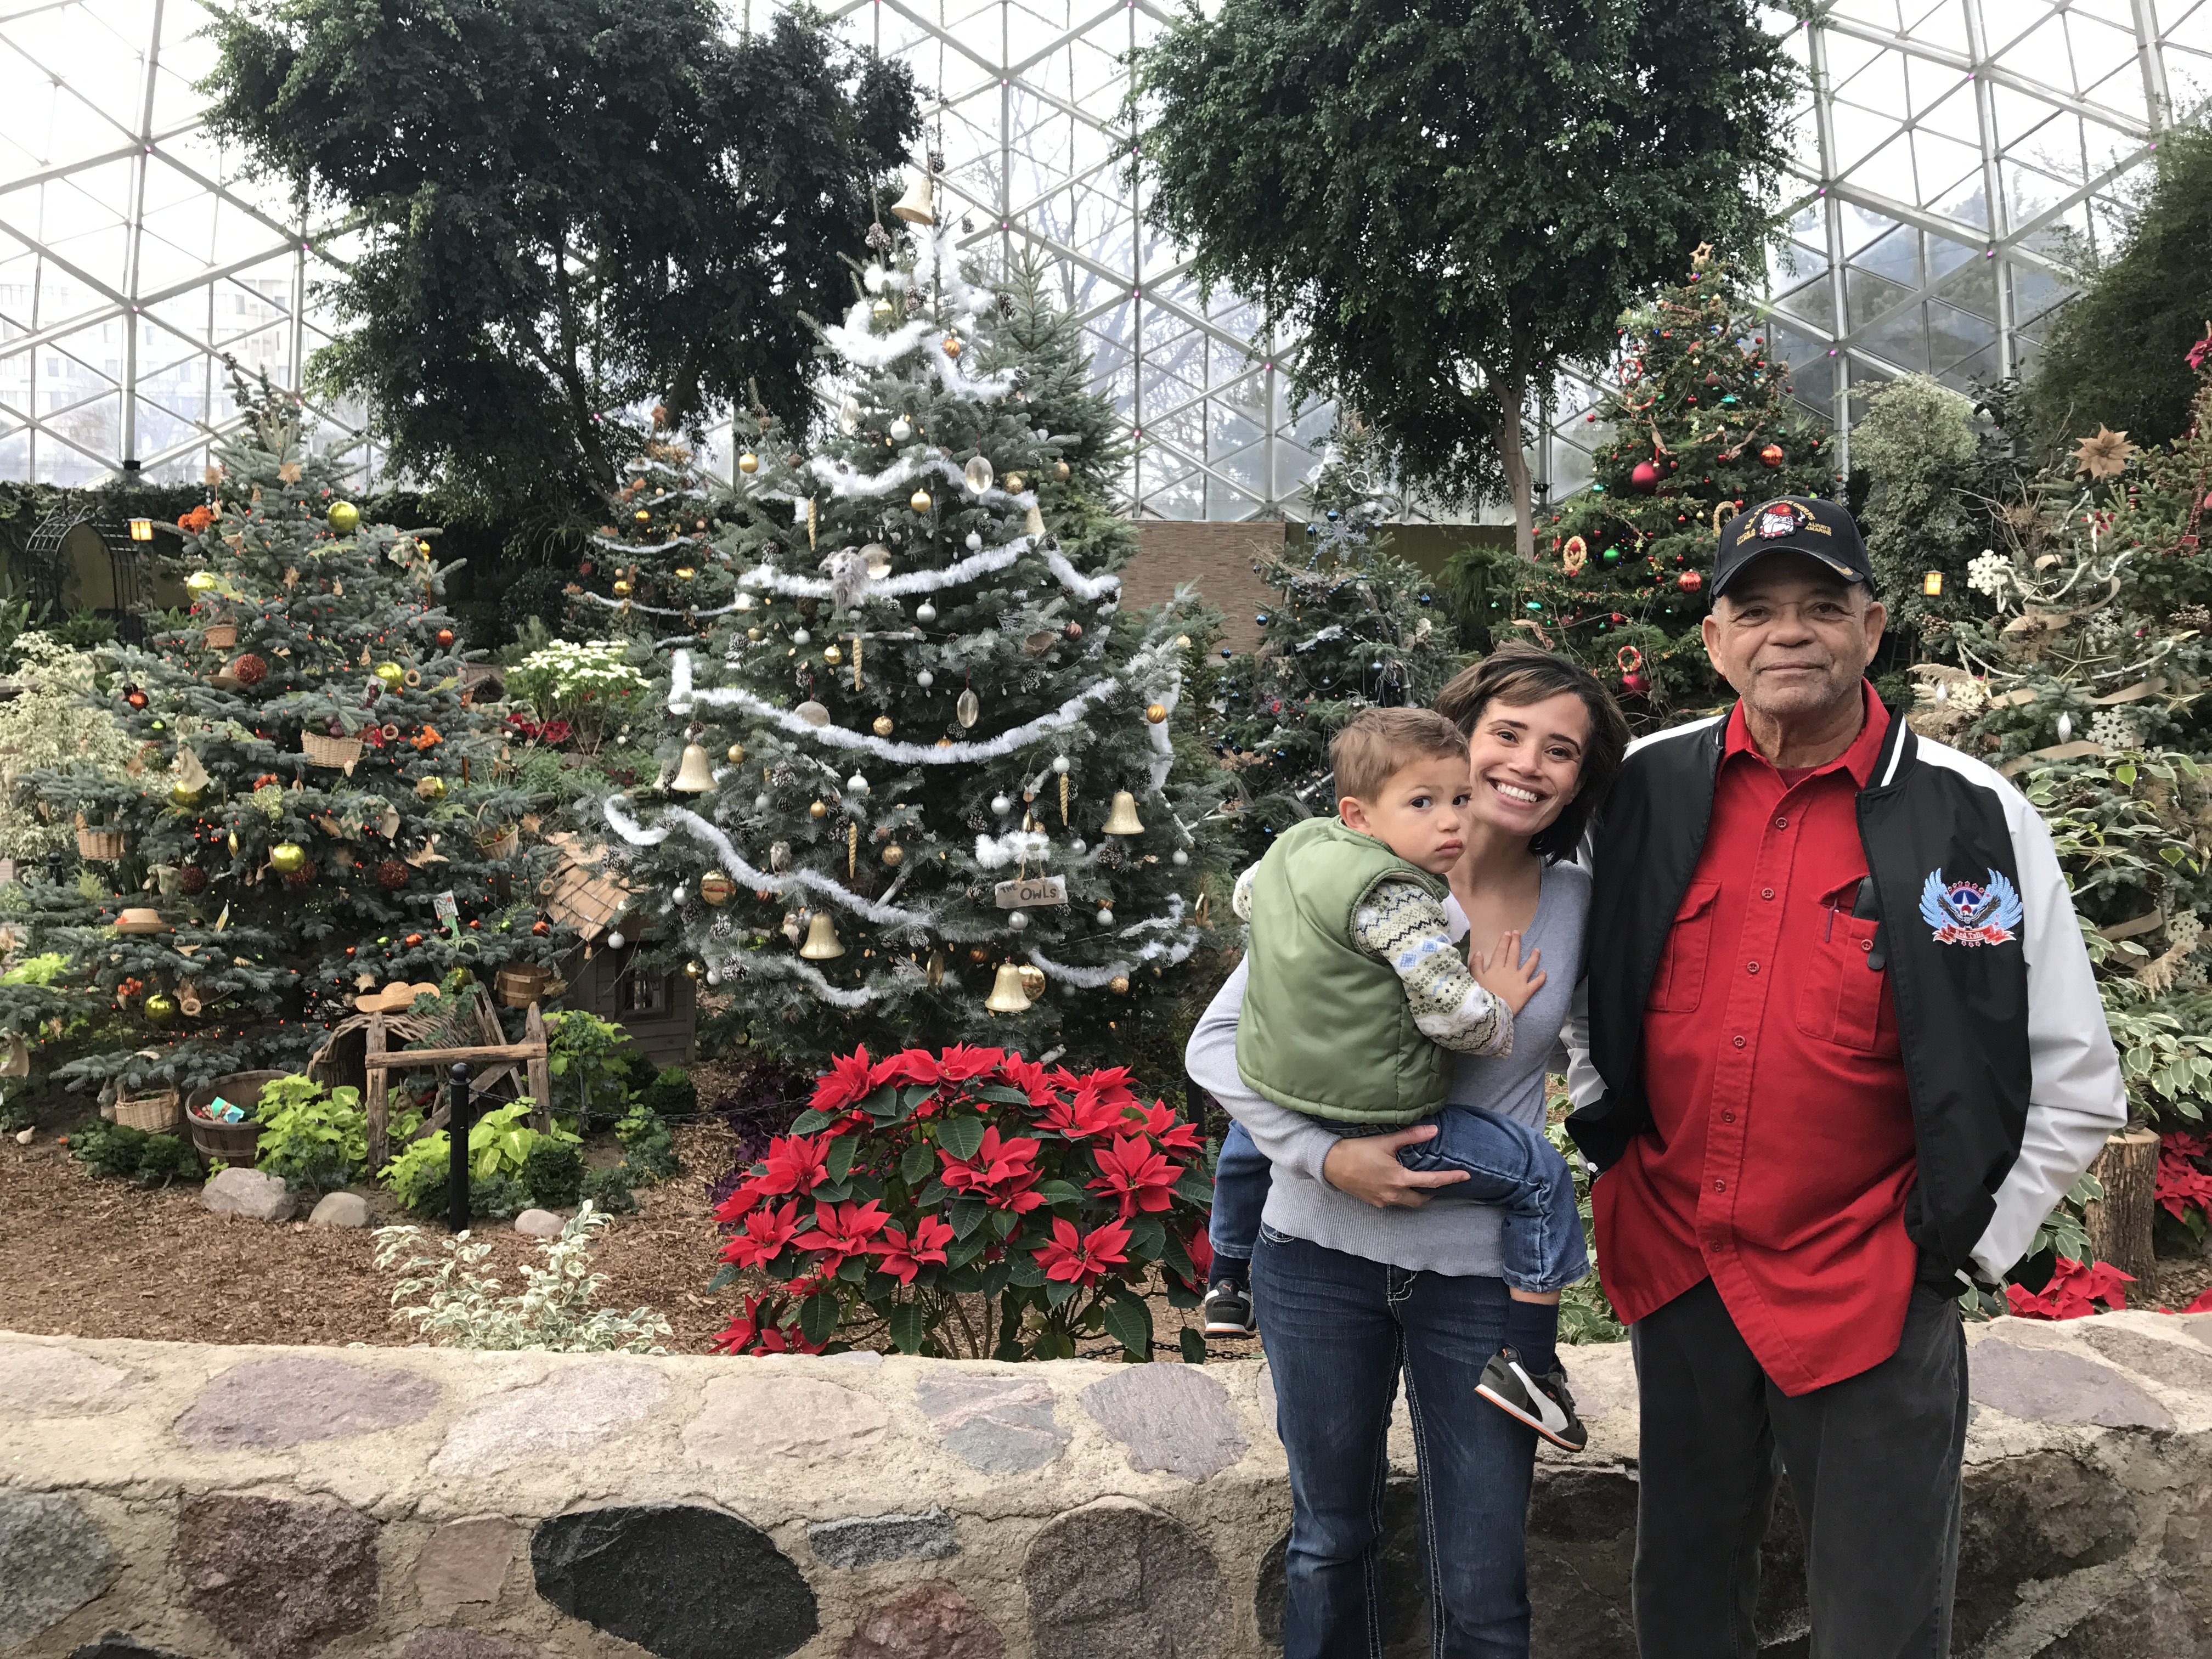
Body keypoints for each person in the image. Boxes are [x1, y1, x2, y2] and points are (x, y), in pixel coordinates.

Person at [1563, 496, 2126, 1656]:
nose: (1790, 633)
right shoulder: (1642, 790)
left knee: (1882, 1619)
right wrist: (1605, 1138)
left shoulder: (1974, 816)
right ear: (1715, 640)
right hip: (1682, 1268)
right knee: (1682, 1603)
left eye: (1823, 606)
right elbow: (1570, 985)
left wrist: (1958, 1250)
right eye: (1756, 610)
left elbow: (2073, 1075)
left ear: (1872, 629)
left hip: (1871, 1280)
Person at [1187, 646, 1629, 1659]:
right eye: (1506, 734)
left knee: (1481, 1579)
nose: (1527, 764)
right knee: (1327, 1545)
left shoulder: (1577, 902)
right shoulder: (1353, 878)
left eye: (1560, 750)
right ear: (1459, 739)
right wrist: (1323, 1158)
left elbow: (1595, 1050)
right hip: (1316, 1258)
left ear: (1580, 780)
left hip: (1478, 1280)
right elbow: (1218, 1045)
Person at [1231, 706, 1589, 1447]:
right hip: (1367, 1165)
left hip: (1445, 1249)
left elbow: (1248, 897)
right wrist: (1500, 1006)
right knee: (1541, 1176)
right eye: (1425, 802)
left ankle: (1222, 1276)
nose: (1452, 817)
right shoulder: (1400, 898)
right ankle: (1532, 1364)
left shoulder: (1304, 858)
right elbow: (1458, 1018)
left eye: (1457, 799)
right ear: (1359, 815)